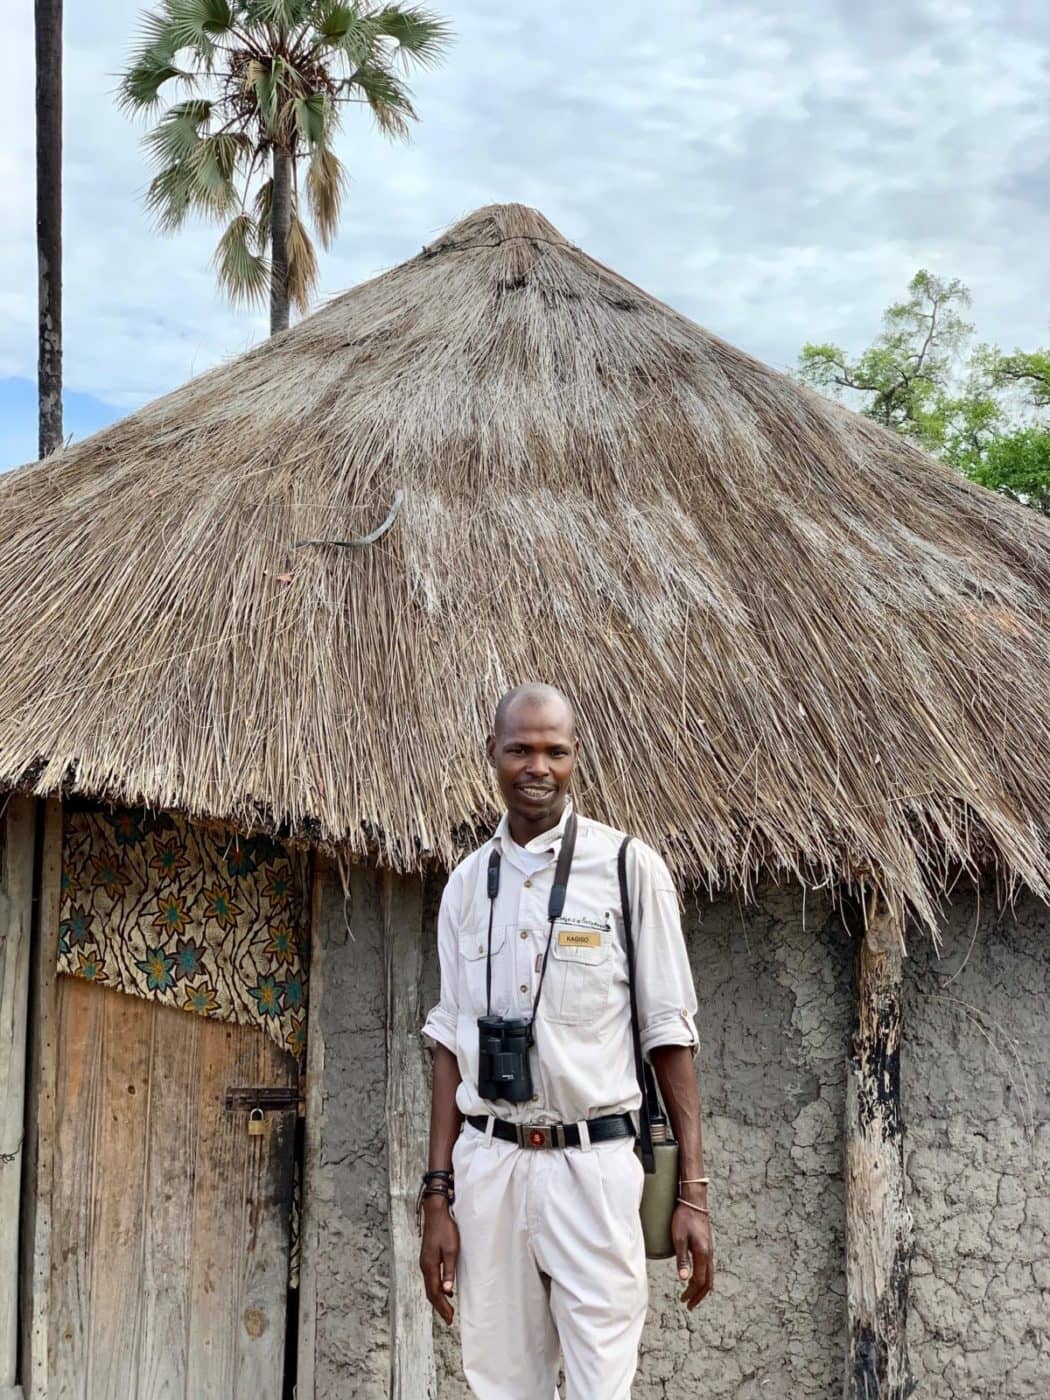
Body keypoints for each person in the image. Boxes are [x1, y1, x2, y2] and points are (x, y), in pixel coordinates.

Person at [419, 683, 713, 1399]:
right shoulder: (465, 887)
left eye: (555, 750)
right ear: (492, 754)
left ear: (577, 757)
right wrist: (437, 1197)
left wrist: (694, 1193)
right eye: (520, 748)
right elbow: (450, 1044)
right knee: (500, 1381)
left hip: (595, 1167)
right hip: (490, 1166)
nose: (537, 766)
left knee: (600, 1384)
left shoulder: (626, 870)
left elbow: (669, 1035)